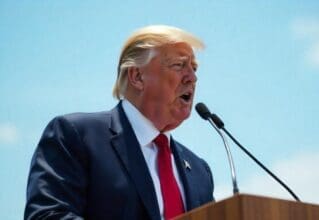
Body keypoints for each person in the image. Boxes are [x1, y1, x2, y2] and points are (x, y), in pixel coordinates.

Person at [24, 25, 214, 220]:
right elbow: (48, 216)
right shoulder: (76, 136)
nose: (192, 77)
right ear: (137, 77)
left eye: (194, 67)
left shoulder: (199, 171)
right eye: (179, 65)